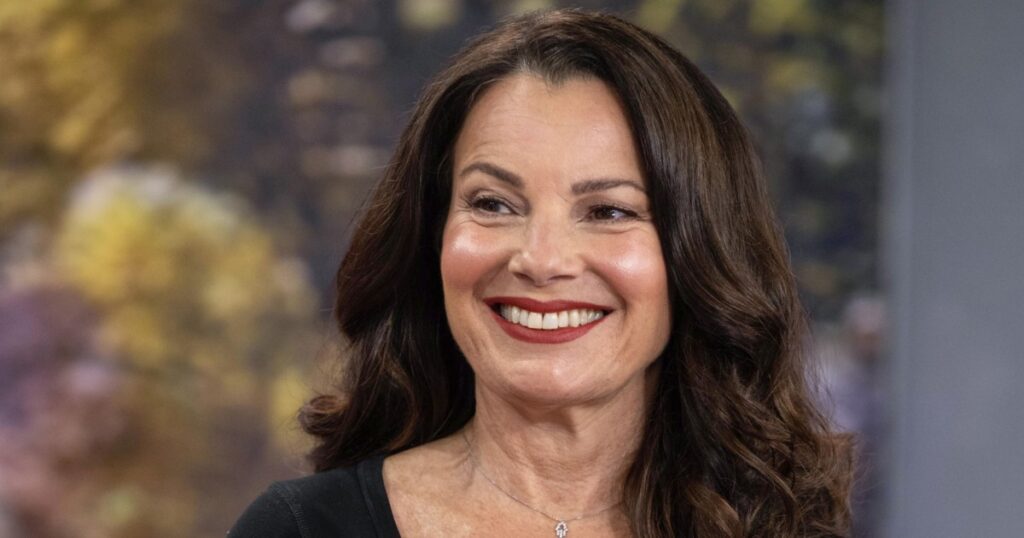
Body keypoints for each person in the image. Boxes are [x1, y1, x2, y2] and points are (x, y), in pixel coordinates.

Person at [230, 9, 851, 538]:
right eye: (493, 204)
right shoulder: (303, 529)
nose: (542, 259)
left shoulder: (780, 527)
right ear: (432, 235)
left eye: (608, 211)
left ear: (698, 253)